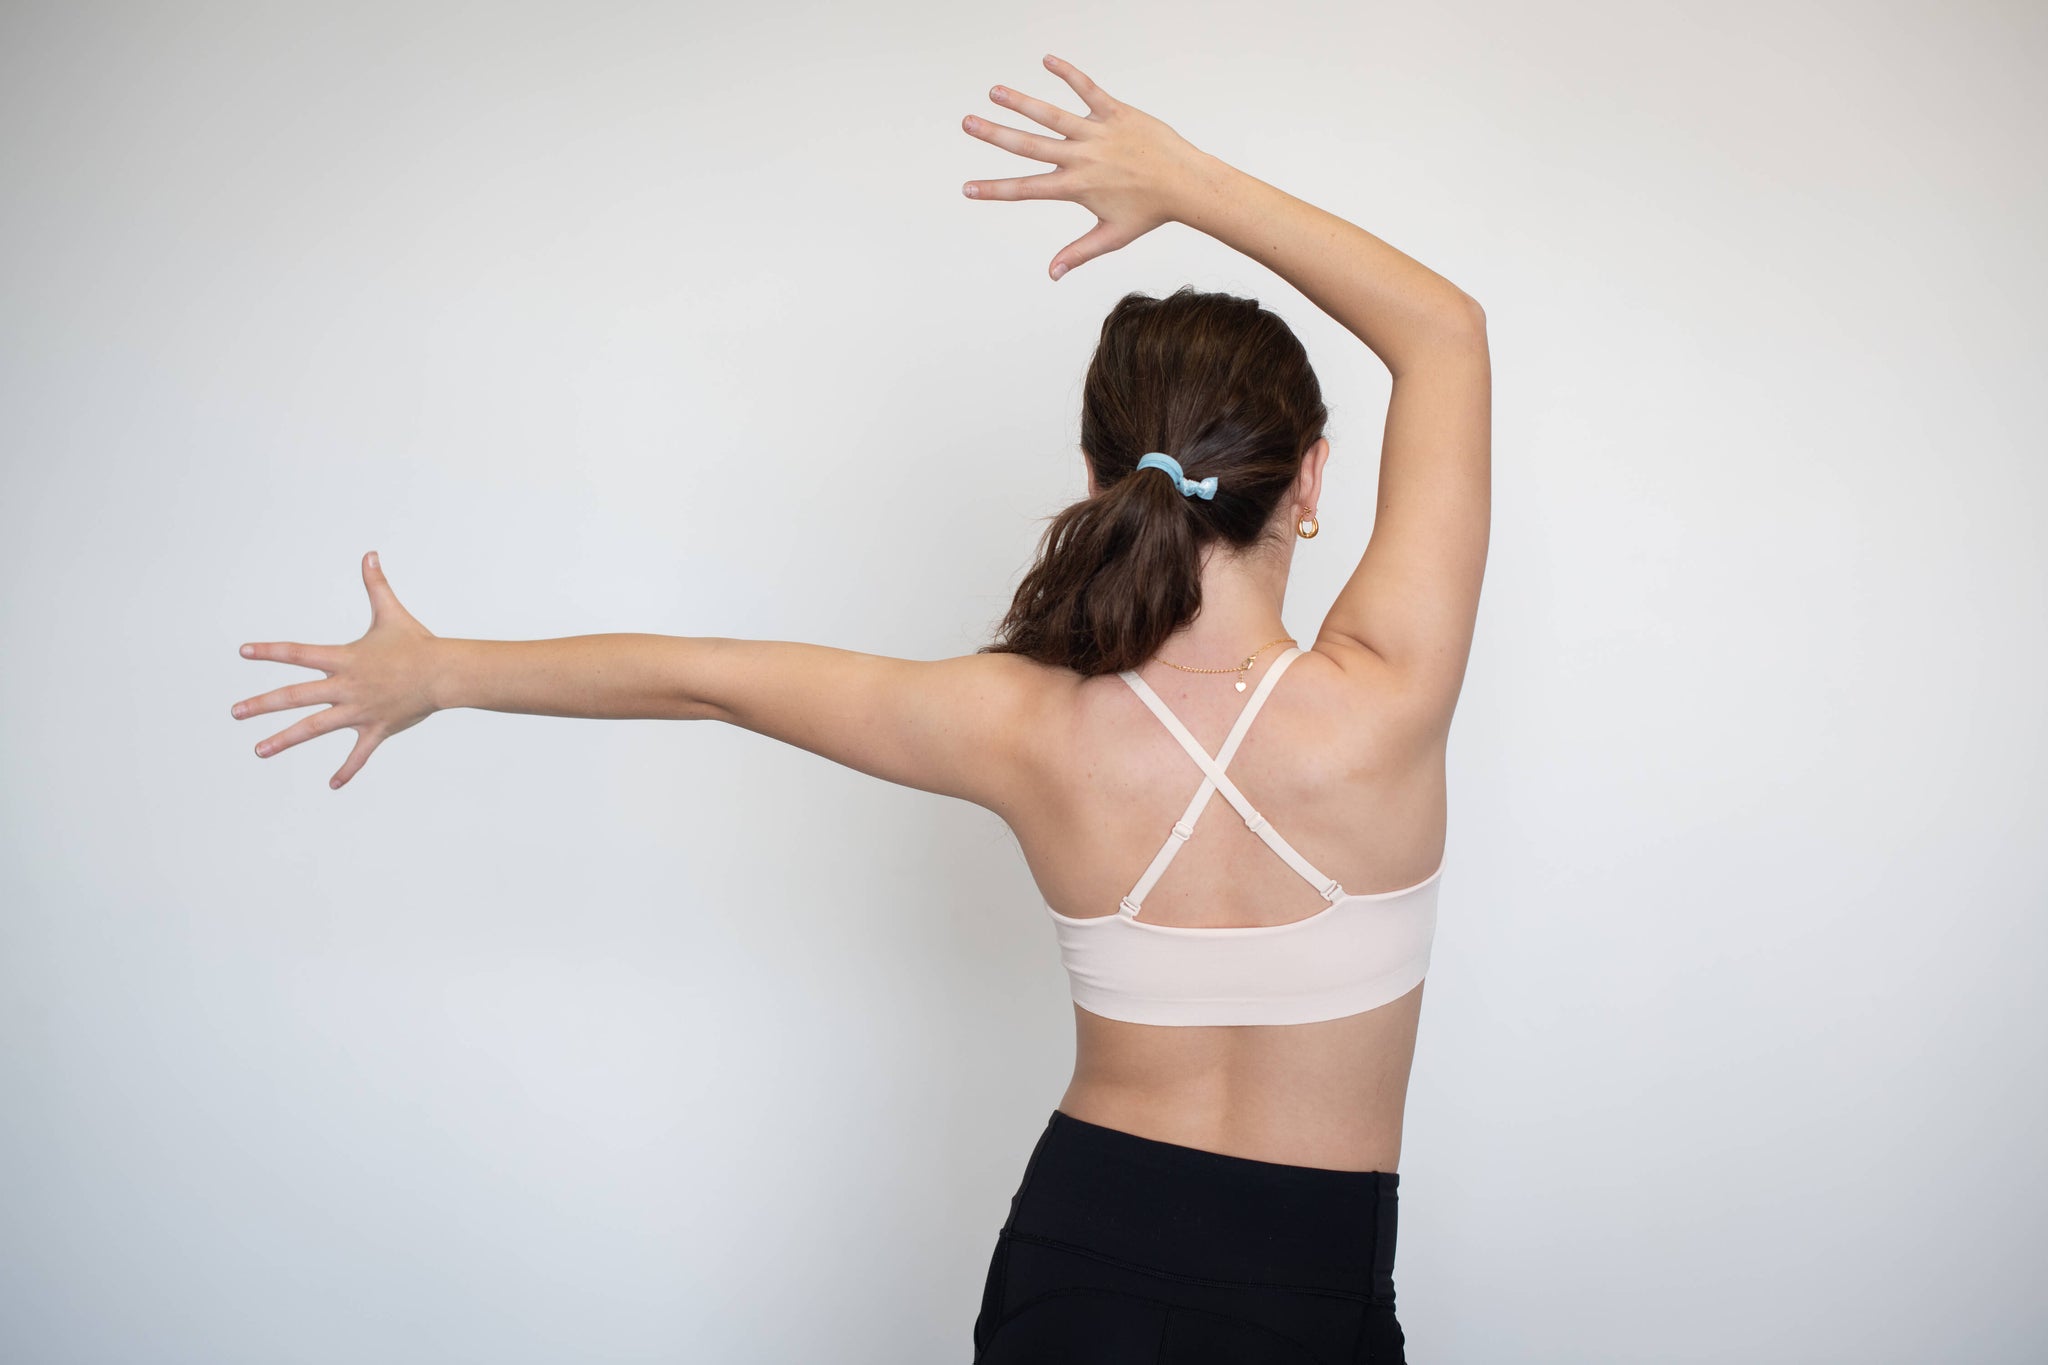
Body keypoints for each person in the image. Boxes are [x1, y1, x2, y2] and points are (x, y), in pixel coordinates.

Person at [230, 53, 1488, 1365]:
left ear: (1105, 475)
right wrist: (1186, 180)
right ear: (1313, 479)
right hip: (1311, 1282)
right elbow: (1444, 330)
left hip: (1084, 1258)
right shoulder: (1384, 700)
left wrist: (442, 670)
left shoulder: (1020, 725)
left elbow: (707, 675)